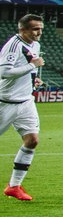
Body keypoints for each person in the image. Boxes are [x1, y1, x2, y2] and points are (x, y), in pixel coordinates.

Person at [1, 14, 45, 201]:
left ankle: (14, 186)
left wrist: (33, 80)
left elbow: (30, 68)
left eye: (41, 29)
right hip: (4, 102)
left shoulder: (35, 45)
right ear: (22, 30)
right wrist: (31, 66)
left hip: (25, 102)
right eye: (35, 29)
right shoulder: (14, 45)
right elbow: (4, 72)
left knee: (32, 140)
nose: (39, 32)